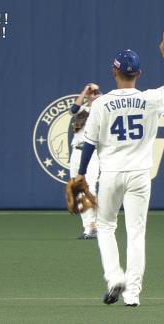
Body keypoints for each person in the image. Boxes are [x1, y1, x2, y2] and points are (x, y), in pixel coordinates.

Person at [76, 29, 164, 306]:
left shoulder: (101, 103)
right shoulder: (150, 99)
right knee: (136, 233)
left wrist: (80, 173)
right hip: (139, 174)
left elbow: (89, 142)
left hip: (110, 173)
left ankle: (114, 278)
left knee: (107, 227)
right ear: (139, 73)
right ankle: (132, 294)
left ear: (114, 71)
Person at [68, 83, 101, 239]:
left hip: (92, 153)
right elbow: (73, 109)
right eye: (90, 95)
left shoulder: (102, 112)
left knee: (90, 188)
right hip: (76, 152)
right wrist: (85, 90)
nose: (91, 97)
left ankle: (95, 225)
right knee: (78, 190)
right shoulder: (83, 111)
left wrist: (98, 96)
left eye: (95, 94)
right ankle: (88, 227)